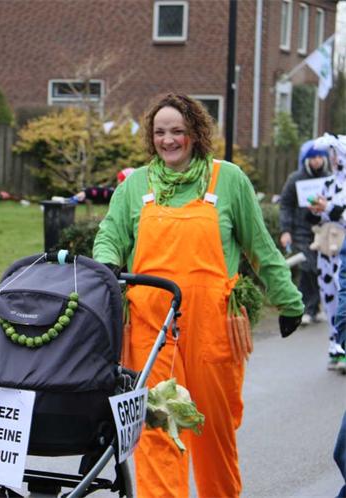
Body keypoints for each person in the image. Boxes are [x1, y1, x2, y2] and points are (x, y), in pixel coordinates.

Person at [93, 93, 303, 498]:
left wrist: (289, 300)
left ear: (196, 133)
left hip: (213, 332)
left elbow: (260, 247)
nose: (168, 140)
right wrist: (106, 265)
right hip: (151, 334)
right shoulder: (136, 185)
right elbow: (109, 237)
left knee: (213, 430)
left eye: (178, 131)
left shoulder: (228, 180)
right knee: (158, 429)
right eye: (160, 132)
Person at [278, 142, 330, 325]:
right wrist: (286, 230)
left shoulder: (329, 179)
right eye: (313, 157)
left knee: (319, 269)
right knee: (308, 267)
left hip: (323, 231)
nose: (316, 161)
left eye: (319, 157)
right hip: (301, 231)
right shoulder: (296, 179)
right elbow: (285, 205)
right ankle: (307, 309)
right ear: (307, 160)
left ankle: (313, 308)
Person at [309, 133, 346, 372]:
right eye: (331, 154)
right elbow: (321, 215)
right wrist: (316, 210)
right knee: (329, 296)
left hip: (343, 250)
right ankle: (335, 346)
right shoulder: (328, 183)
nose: (332, 159)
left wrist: (329, 207)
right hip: (326, 250)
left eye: (336, 154)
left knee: (343, 298)